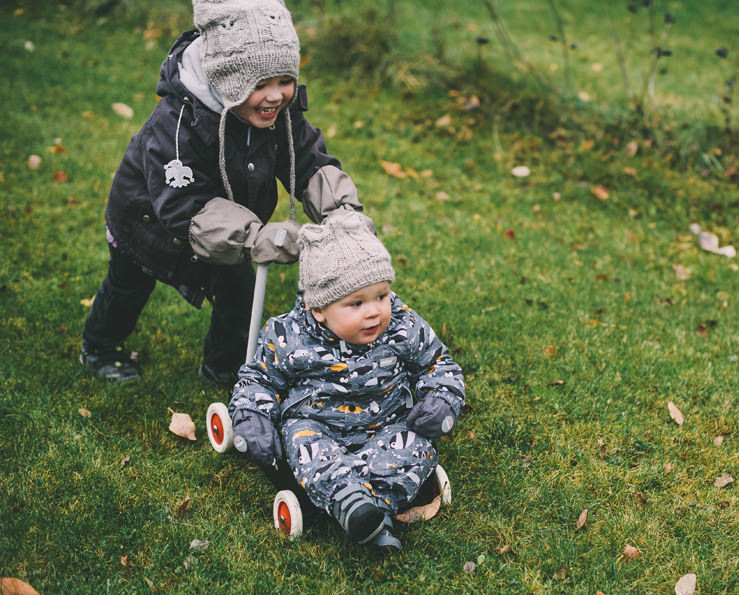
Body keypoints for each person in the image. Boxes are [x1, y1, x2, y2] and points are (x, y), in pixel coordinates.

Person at [80, 0, 366, 386]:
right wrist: (253, 236)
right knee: (127, 287)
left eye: (284, 80)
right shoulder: (176, 124)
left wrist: (342, 211)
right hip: (146, 226)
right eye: (259, 85)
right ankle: (99, 346)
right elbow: (184, 205)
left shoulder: (276, 113)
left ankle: (225, 367)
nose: (275, 96)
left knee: (239, 291)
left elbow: (307, 158)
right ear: (226, 78)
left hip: (226, 233)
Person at [228, 214, 465, 549]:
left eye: (381, 296)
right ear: (318, 309)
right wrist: (252, 415)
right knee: (303, 445)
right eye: (356, 303)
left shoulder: (402, 324)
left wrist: (442, 399)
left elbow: (437, 363)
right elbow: (259, 379)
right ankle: (353, 499)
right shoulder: (288, 335)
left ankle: (364, 505)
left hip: (387, 421)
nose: (374, 311)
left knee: (419, 443)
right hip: (317, 424)